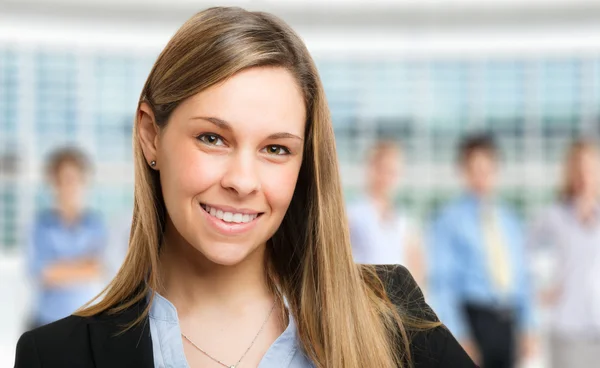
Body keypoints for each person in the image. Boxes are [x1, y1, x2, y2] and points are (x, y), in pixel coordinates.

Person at [15, 7, 475, 368]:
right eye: (212, 138)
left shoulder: (393, 317)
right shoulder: (56, 356)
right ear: (151, 135)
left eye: (276, 149)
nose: (241, 181)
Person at [427, 133, 535, 368]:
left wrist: (528, 325)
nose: (482, 177)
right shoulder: (449, 220)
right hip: (473, 319)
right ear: (463, 171)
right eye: (475, 169)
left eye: (487, 169)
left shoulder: (509, 219)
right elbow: (443, 283)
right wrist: (458, 334)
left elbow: (523, 276)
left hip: (508, 322)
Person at [528, 139, 600, 367]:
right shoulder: (553, 216)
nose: (583, 175)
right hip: (567, 330)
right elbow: (521, 251)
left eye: (589, 168)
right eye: (577, 169)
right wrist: (538, 288)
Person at [25, 147, 106, 329]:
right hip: (46, 323)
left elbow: (98, 269)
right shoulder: (41, 225)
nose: (68, 186)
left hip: (85, 323)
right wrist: (81, 266)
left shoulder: (95, 224)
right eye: (62, 180)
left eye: (73, 180)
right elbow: (42, 273)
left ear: (83, 182)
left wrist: (60, 267)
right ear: (53, 183)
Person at [348, 141, 425, 285]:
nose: (388, 177)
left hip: (398, 300)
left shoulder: (403, 219)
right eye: (384, 169)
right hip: (366, 295)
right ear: (371, 168)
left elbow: (416, 263)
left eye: (394, 172)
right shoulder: (353, 213)